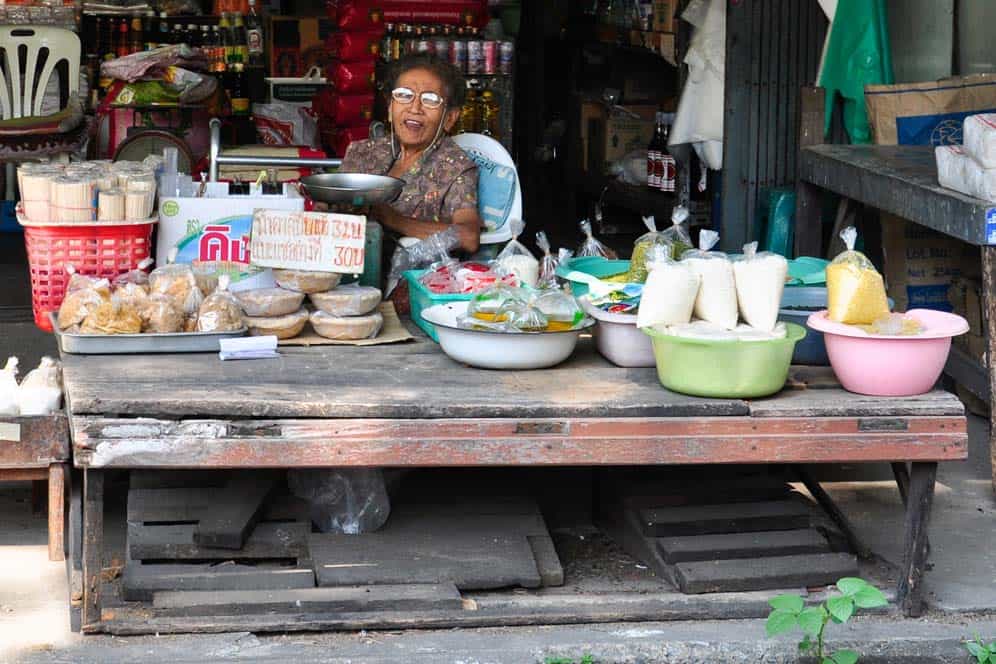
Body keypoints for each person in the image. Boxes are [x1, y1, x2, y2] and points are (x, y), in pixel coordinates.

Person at [338, 54, 482, 256]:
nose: (415, 108)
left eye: (430, 100)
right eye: (404, 95)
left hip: (407, 271)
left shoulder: (455, 167)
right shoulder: (362, 152)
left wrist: (395, 220)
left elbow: (468, 237)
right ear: (390, 107)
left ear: (450, 118)